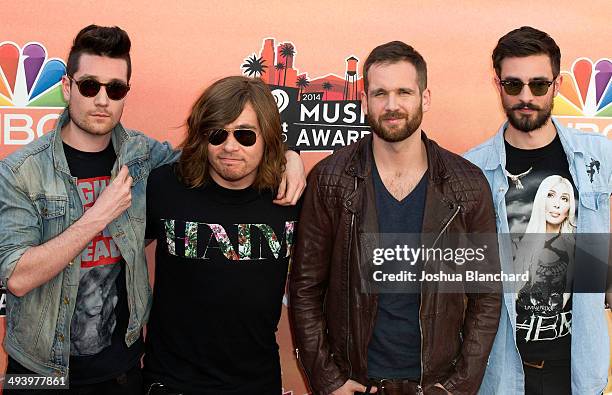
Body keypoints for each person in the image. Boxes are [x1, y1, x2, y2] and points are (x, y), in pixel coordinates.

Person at [0, 25, 305, 394]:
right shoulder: (20, 171)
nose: (101, 99)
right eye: (89, 86)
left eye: (114, 89)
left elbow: (220, 157)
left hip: (122, 370)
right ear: (67, 87)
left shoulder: (145, 160)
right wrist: (99, 215)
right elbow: (15, 276)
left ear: (126, 93)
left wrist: (291, 156)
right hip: (37, 372)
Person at [290, 41, 501, 395]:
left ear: (425, 98)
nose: (392, 105)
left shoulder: (467, 184)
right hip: (355, 382)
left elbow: (487, 294)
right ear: (364, 102)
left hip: (434, 384)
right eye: (380, 93)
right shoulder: (330, 179)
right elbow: (305, 289)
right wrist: (329, 381)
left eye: (404, 92)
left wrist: (457, 387)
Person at [464, 26, 612, 394]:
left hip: (578, 368)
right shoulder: (473, 170)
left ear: (557, 86)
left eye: (538, 85)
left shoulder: (597, 155)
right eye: (513, 85)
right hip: (502, 369)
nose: (525, 97)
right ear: (498, 85)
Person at [142, 76, 301, 394]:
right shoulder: (163, 186)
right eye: (218, 134)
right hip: (171, 383)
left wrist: (292, 157)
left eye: (245, 135)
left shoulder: (291, 197)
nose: (230, 146)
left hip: (256, 384)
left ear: (268, 137)